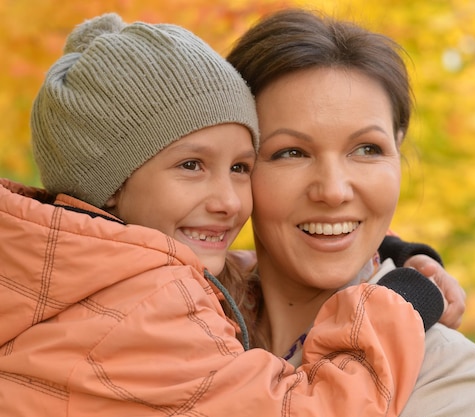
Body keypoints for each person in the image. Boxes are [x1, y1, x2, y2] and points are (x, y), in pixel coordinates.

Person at [0, 13, 436, 416]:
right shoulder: (151, 306)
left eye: (240, 167)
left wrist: (386, 251)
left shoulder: (55, 268)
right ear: (108, 186)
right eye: (191, 165)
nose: (228, 201)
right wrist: (399, 299)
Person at [226, 8, 475, 416]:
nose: (333, 191)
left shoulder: (442, 370)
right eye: (291, 153)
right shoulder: (178, 312)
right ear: (238, 166)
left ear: (398, 151)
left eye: (367, 149)